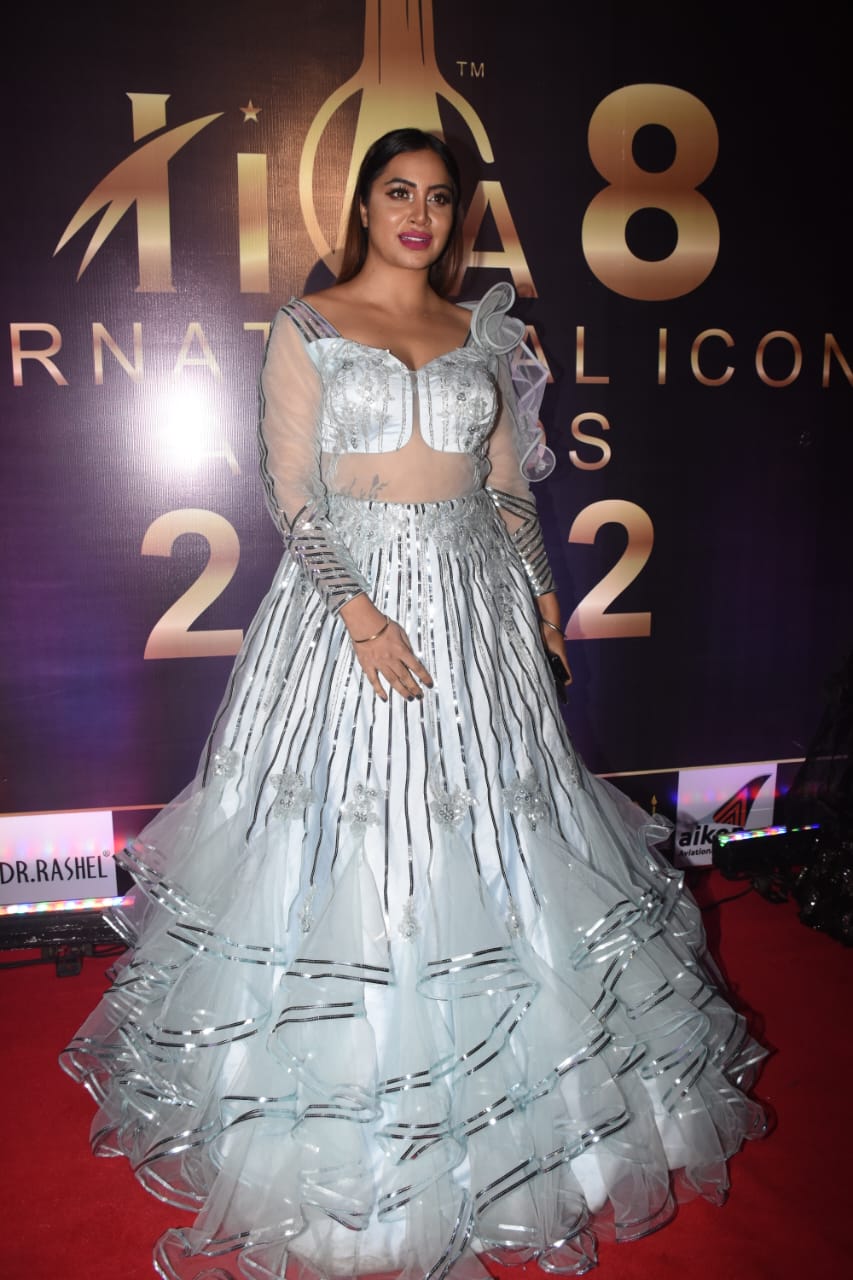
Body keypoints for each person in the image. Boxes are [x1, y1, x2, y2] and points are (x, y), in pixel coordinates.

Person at [60, 127, 768, 1280]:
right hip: (346, 612)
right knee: (346, 834)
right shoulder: (307, 326)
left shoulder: (483, 332)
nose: (418, 215)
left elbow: (506, 486)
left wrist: (544, 600)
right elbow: (289, 492)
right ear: (363, 206)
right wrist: (359, 613)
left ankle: (528, 1132)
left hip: (477, 607)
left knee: (502, 825)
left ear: (455, 216)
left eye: (439, 198)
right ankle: (338, 1148)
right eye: (398, 192)